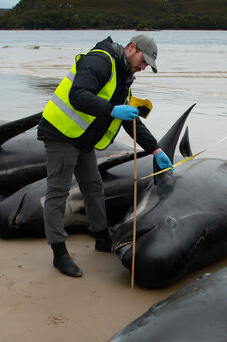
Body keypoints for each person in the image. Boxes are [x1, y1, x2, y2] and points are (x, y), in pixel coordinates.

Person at [38, 34, 173, 278]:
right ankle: (59, 252)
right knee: (58, 192)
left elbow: (129, 121)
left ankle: (102, 236)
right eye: (144, 61)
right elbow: (77, 95)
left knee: (93, 187)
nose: (143, 68)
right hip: (60, 133)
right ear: (132, 48)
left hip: (83, 139)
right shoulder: (100, 61)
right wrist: (112, 109)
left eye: (147, 66)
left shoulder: (124, 77)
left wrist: (156, 149)